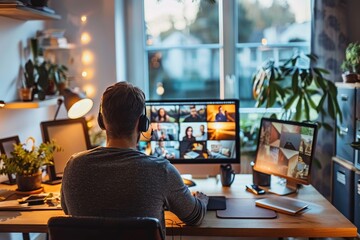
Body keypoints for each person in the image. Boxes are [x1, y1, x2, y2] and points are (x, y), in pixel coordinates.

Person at [61, 82, 208, 238]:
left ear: (102, 121)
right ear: (142, 123)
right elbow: (194, 217)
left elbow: (67, 209)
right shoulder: (161, 171)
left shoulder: (73, 167)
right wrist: (202, 200)